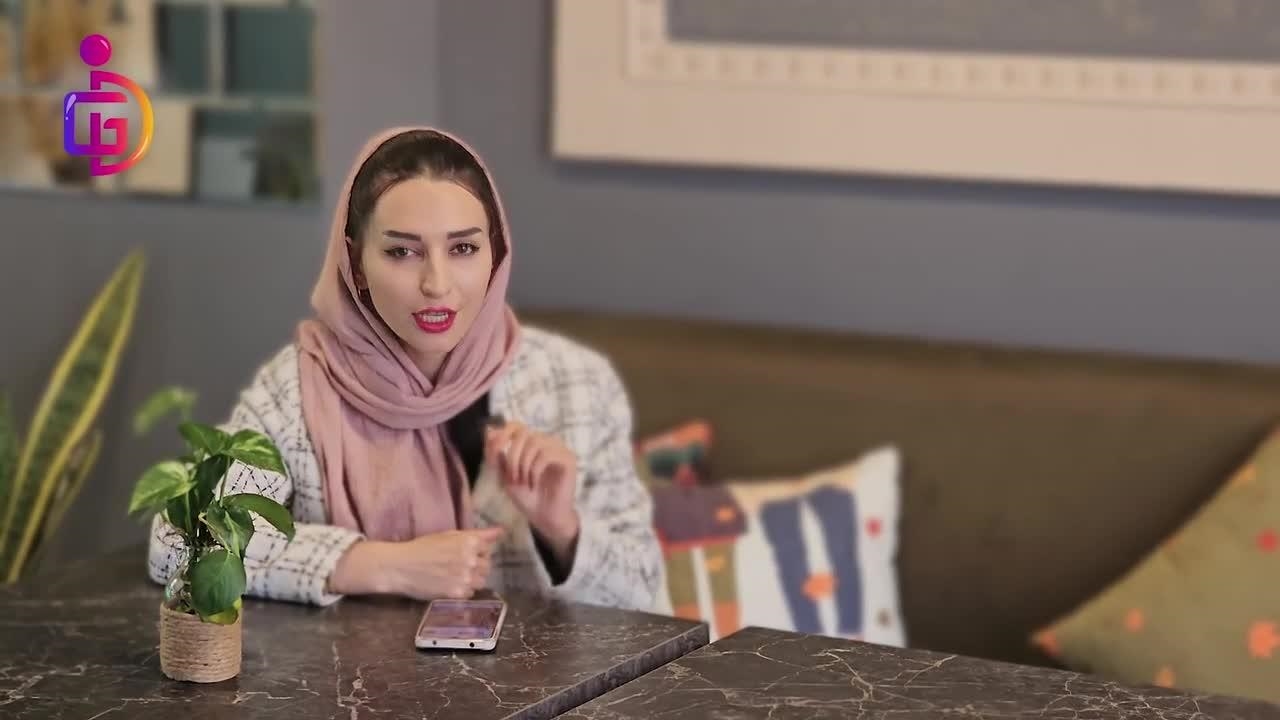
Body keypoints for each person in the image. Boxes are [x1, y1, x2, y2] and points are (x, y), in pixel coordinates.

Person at [147, 126, 663, 612]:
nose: (437, 284)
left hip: (541, 679)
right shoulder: (298, 387)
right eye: (401, 252)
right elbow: (180, 544)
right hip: (350, 677)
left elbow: (644, 591)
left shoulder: (576, 383)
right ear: (356, 264)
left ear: (496, 254)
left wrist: (562, 528)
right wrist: (379, 565)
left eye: (463, 248)